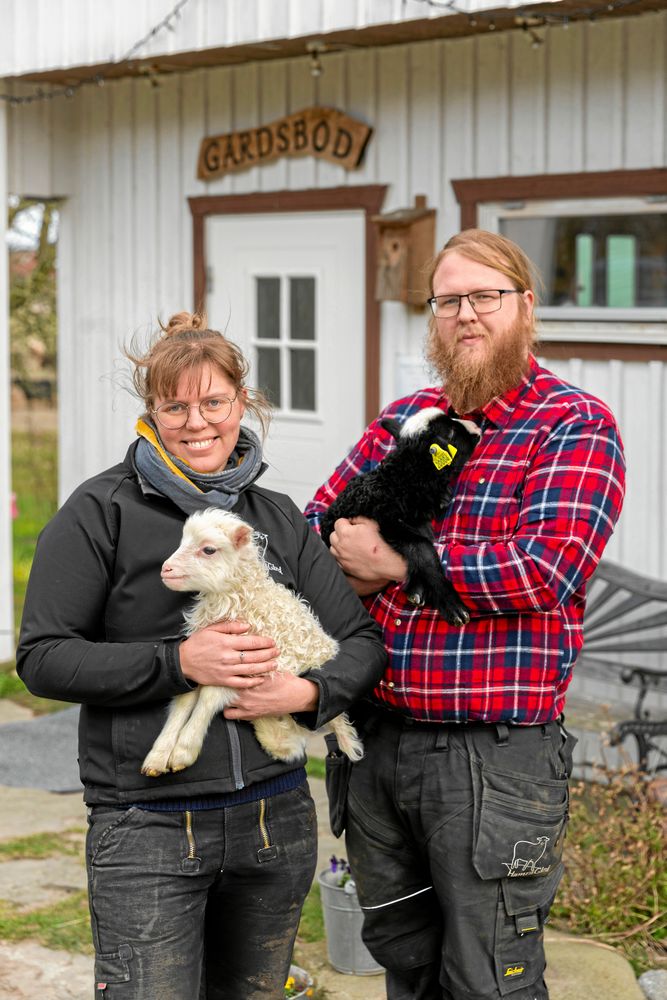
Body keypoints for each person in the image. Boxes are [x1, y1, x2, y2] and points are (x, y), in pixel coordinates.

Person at [16, 311, 387, 1000]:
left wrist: (304, 696)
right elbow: (42, 658)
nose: (196, 422)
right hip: (147, 826)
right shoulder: (101, 511)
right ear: (151, 412)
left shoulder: (273, 519)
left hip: (274, 823)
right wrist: (178, 663)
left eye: (213, 402)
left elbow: (361, 644)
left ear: (241, 404)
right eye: (175, 406)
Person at [305, 230, 626, 1000]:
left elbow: (544, 567)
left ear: (524, 306)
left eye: (484, 296)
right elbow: (318, 526)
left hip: (489, 758)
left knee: (488, 976)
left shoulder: (570, 425)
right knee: (403, 960)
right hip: (377, 743)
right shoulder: (407, 418)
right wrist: (350, 565)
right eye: (448, 299)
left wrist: (398, 566)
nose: (465, 315)